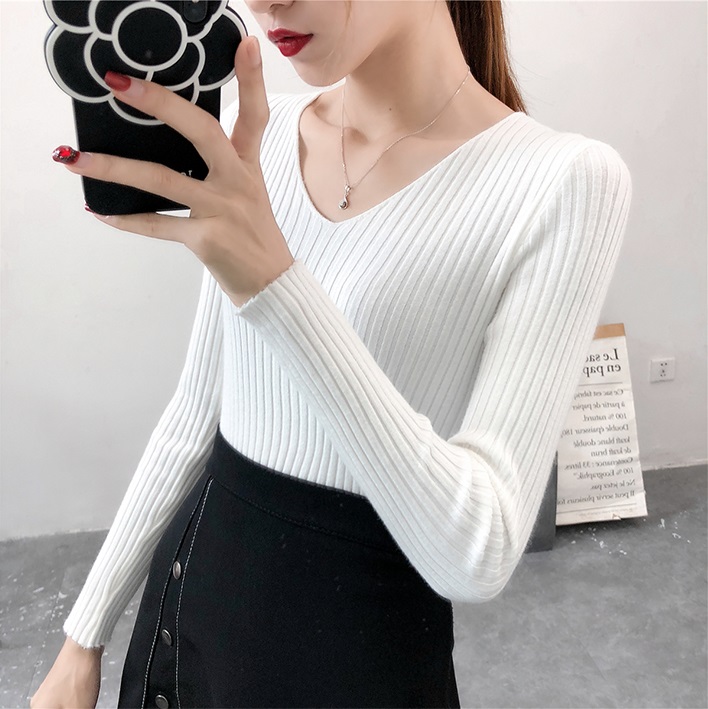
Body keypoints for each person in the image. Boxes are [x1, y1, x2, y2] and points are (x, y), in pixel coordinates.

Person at [32, 0, 633, 707]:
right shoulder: (260, 134)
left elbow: (481, 552)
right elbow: (194, 416)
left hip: (356, 654)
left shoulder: (563, 181)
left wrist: (275, 285)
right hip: (191, 612)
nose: (265, 2)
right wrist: (83, 637)